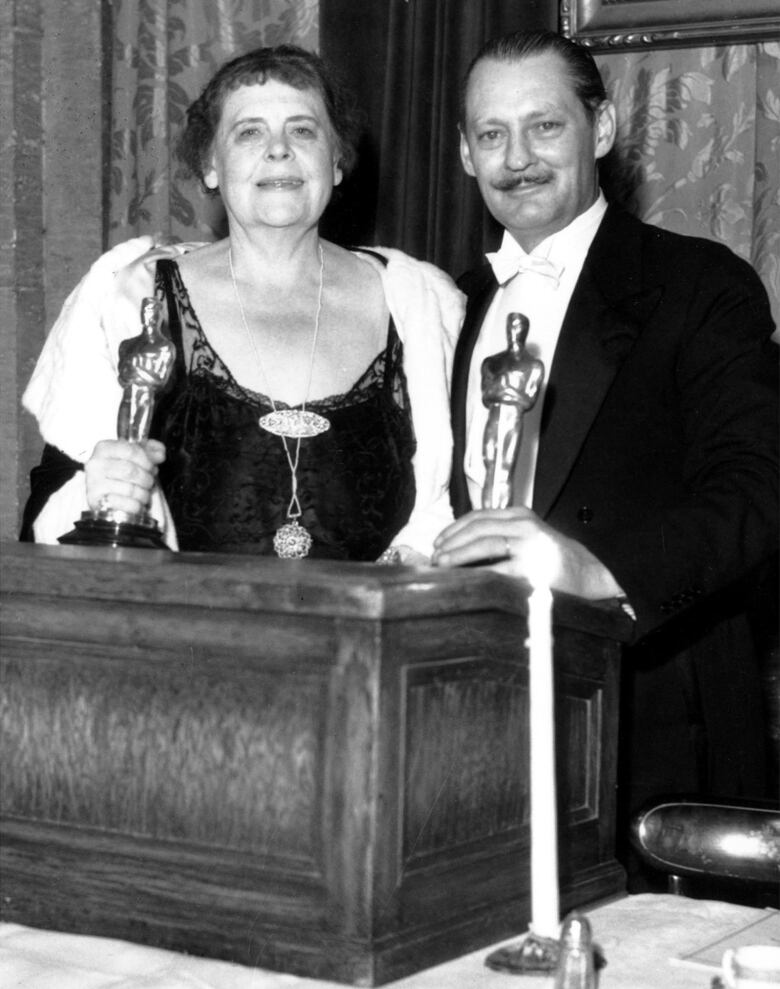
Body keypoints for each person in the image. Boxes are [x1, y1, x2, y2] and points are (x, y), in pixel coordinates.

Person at [432, 30, 779, 887]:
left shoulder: (701, 285)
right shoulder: (445, 303)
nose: (517, 159)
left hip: (655, 720)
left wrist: (597, 566)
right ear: (465, 156)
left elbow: (760, 491)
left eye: (544, 127)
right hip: (476, 726)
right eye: (491, 135)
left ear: (604, 127)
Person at [21, 45, 464, 561]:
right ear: (210, 165)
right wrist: (99, 491)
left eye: (303, 130)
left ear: (337, 161)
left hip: (364, 637)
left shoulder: (422, 305)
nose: (278, 150)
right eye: (249, 132)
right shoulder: (127, 297)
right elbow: (44, 514)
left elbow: (462, 505)